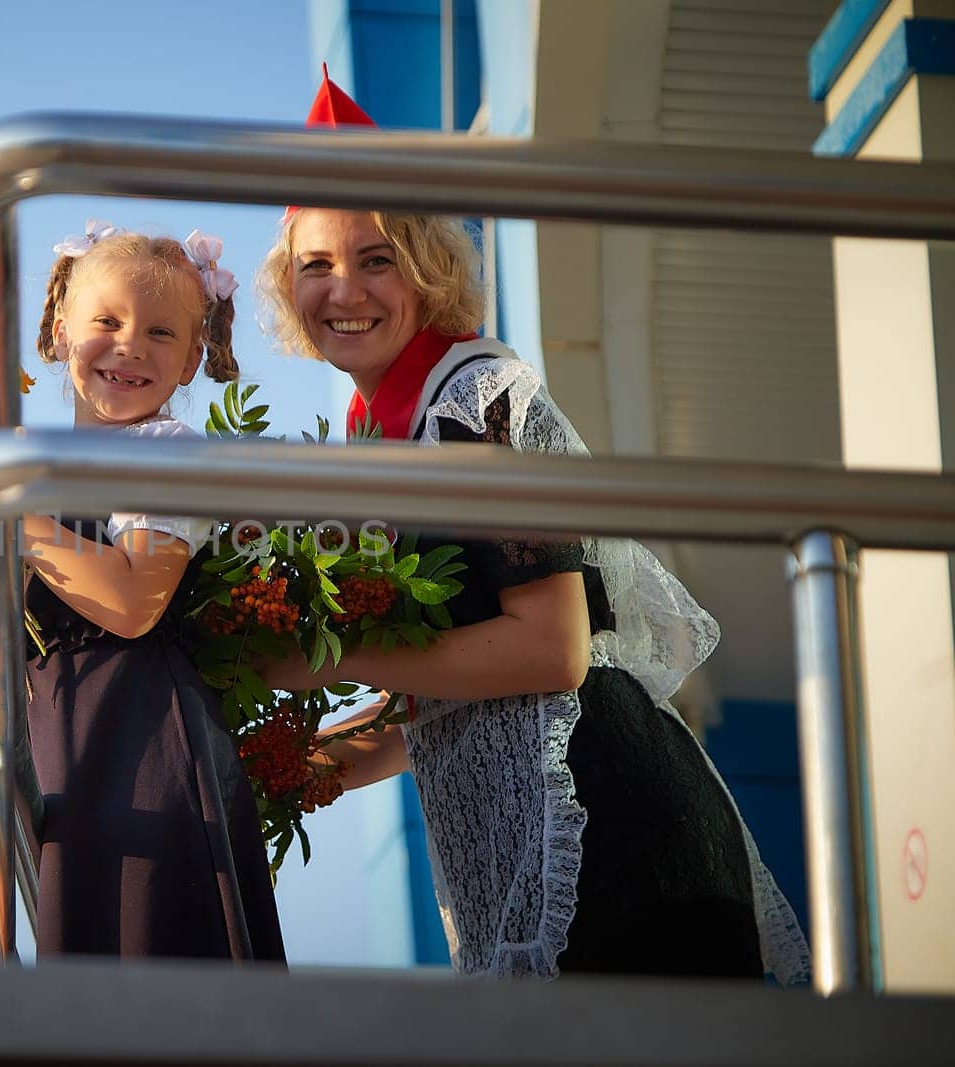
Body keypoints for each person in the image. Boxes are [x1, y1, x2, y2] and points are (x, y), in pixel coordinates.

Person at [253, 71, 809, 982]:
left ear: (427, 266)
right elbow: (448, 689)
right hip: (531, 840)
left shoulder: (477, 396)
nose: (343, 288)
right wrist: (311, 763)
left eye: (376, 257)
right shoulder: (376, 435)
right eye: (316, 264)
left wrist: (329, 652)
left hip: (611, 830)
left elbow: (553, 652)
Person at [18, 221, 286, 961]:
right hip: (66, 744)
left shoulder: (164, 450)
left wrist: (13, 519)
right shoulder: (34, 466)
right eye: (106, 320)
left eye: (160, 332)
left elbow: (134, 603)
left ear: (194, 357)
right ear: (61, 325)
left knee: (155, 950)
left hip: (147, 743)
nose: (129, 345)